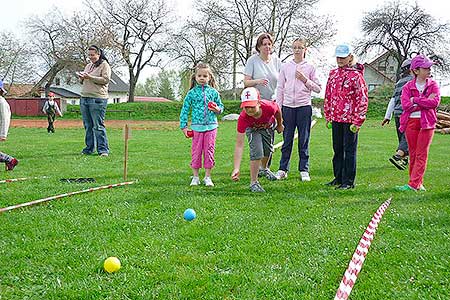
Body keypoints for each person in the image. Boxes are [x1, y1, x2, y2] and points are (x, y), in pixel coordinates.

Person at [275, 38, 322, 181]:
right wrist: (279, 108)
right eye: (294, 47)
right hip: (288, 107)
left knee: (304, 139)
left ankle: (304, 169)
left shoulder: (310, 67)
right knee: (287, 139)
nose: (297, 50)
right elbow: (280, 88)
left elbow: (318, 88)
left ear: (305, 49)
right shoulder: (285, 67)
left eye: (300, 47)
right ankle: (283, 169)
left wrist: (304, 79)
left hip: (304, 107)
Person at [323, 44, 368, 190]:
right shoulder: (333, 74)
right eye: (338, 57)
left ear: (350, 57)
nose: (340, 60)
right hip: (336, 118)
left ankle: (348, 181)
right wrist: (328, 115)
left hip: (350, 120)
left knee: (349, 151)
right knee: (337, 149)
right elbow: (328, 95)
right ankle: (338, 177)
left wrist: (358, 120)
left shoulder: (356, 76)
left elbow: (362, 98)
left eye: (343, 57)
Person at [396, 54, 440, 191]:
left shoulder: (433, 85)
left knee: (422, 153)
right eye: (426, 68)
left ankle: (413, 184)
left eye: (429, 68)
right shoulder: (408, 87)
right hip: (411, 122)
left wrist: (415, 100)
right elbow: (405, 105)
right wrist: (424, 101)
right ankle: (416, 183)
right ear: (416, 70)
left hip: (427, 123)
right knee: (414, 153)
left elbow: (435, 102)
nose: (429, 70)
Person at [231, 87, 284, 192]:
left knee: (268, 150)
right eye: (246, 107)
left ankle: (264, 169)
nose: (249, 110)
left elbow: (277, 110)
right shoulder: (243, 118)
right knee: (257, 153)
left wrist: (279, 124)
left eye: (252, 106)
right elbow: (239, 145)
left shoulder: (269, 107)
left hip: (267, 127)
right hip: (252, 130)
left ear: (259, 103)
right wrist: (236, 168)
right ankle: (254, 183)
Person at [180, 62, 224, 187]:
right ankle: (195, 177)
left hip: (212, 127)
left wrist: (217, 109)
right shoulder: (192, 93)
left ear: (209, 77)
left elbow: (221, 107)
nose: (202, 78)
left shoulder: (214, 93)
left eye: (205, 76)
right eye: (199, 76)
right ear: (195, 77)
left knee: (209, 151)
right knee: (196, 152)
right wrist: (184, 126)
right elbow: (185, 109)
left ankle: (207, 177)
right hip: (197, 128)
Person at [243, 32, 282, 171]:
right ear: (259, 47)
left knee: (269, 138)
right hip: (256, 105)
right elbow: (246, 82)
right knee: (256, 139)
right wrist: (257, 81)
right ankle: (257, 165)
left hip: (271, 104)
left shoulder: (277, 61)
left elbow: (282, 81)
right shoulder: (252, 61)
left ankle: (265, 168)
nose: (266, 47)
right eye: (263, 44)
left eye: (269, 44)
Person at [77, 45, 111, 156]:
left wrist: (90, 77)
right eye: (89, 55)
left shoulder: (104, 65)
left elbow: (105, 80)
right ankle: (89, 148)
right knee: (88, 125)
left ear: (98, 54)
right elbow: (82, 81)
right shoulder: (88, 66)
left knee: (98, 125)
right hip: (84, 97)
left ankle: (103, 150)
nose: (91, 57)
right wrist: (81, 77)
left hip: (97, 99)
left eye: (93, 55)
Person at [381, 59, 413, 170]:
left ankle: (404, 160)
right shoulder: (414, 81)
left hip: (397, 114)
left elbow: (393, 100)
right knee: (408, 137)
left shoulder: (399, 82)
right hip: (408, 113)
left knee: (402, 137)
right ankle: (398, 156)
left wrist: (387, 116)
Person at [0, 80, 19, 171]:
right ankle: (11, 160)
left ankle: (10, 160)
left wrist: (3, 134)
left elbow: (5, 118)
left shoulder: (1, 102)